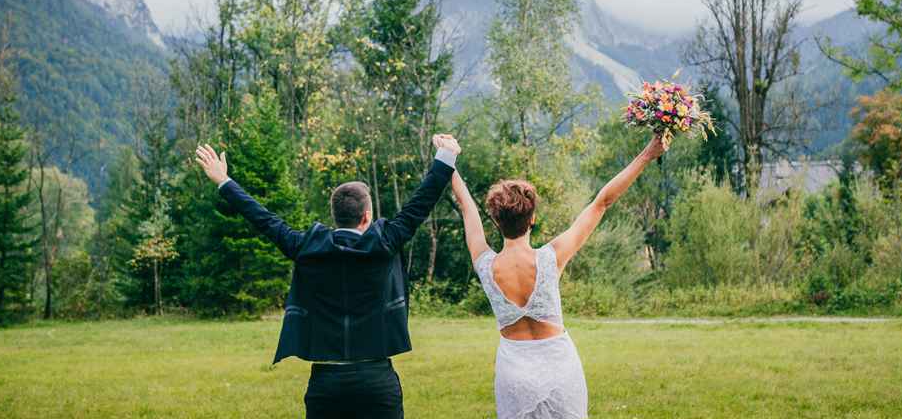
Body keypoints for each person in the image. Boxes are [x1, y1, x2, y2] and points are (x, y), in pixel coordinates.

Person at [194, 135, 460, 419]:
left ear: (335, 215)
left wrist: (224, 181)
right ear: (366, 217)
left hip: (326, 384)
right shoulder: (385, 242)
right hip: (376, 382)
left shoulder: (306, 248)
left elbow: (263, 218)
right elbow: (422, 201)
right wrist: (445, 156)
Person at [448, 134, 666, 418]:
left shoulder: (485, 264)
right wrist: (648, 154)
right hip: (559, 369)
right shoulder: (551, 257)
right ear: (533, 219)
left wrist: (448, 159)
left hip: (514, 375)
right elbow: (602, 202)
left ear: (496, 220)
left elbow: (466, 206)